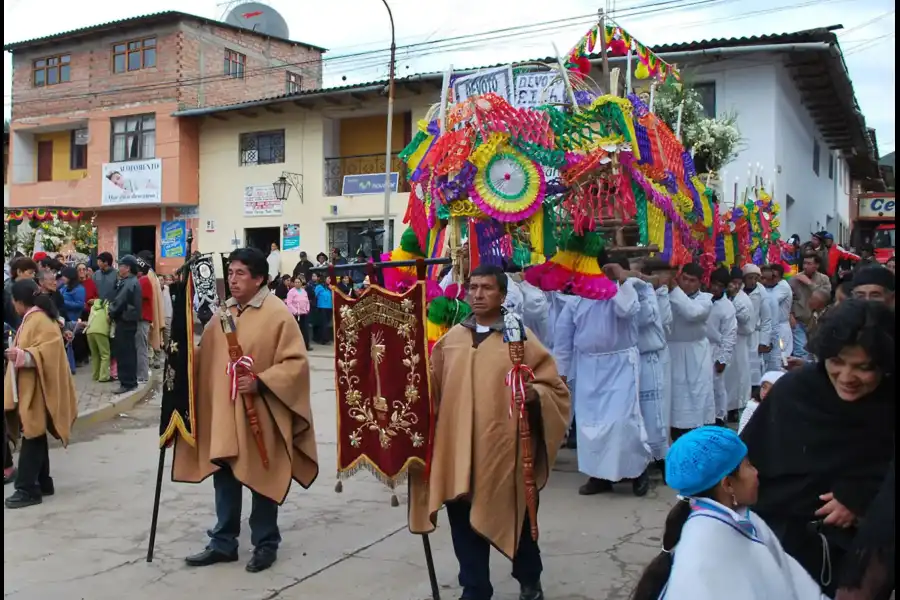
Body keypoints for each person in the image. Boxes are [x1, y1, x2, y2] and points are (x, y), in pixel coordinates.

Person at [408, 264, 570, 600]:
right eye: (473, 287)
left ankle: (529, 578)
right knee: (462, 523)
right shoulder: (451, 340)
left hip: (504, 451)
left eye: (487, 288)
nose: (478, 294)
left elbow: (554, 387)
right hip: (457, 451)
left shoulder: (519, 338)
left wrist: (535, 395)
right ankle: (475, 588)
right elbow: (429, 392)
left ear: (502, 294)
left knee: (518, 521)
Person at [175, 247, 318, 574]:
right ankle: (224, 541)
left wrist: (261, 382)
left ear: (259, 278)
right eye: (232, 272)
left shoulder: (277, 313)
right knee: (224, 473)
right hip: (226, 413)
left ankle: (266, 543)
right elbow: (205, 358)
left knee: (262, 474)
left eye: (241, 273)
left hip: (263, 412)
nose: (234, 280)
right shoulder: (223, 313)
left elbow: (296, 364)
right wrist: (180, 357)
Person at [741, 300, 895, 596]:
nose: (848, 377)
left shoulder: (888, 405)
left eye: (864, 368)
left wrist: (862, 500)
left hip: (859, 558)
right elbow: (747, 463)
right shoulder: (793, 393)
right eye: (838, 361)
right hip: (778, 546)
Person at [630, 426, 828, 600]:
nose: (756, 472)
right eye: (748, 466)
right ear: (728, 484)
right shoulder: (707, 546)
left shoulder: (738, 518)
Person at [554, 260, 652, 497]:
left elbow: (627, 309)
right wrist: (561, 374)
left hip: (620, 366)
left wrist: (619, 278)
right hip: (588, 367)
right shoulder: (577, 299)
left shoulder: (623, 291)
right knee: (590, 425)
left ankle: (637, 471)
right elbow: (563, 339)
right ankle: (599, 476)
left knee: (623, 423)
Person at [3, 279, 78, 509]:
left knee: (33, 434)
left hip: (38, 387)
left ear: (18, 301)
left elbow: (50, 349)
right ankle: (43, 482)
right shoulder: (35, 317)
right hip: (33, 385)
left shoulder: (39, 319)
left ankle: (27, 488)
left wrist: (22, 355)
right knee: (35, 432)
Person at [667, 263, 714, 440]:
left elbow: (691, 313)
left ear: (700, 283)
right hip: (671, 354)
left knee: (695, 402)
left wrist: (674, 290)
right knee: (673, 403)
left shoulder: (705, 301)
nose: (686, 284)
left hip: (696, 356)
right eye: (684, 279)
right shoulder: (669, 295)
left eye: (692, 281)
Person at [633, 267, 670, 471]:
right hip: (626, 362)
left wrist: (638, 281)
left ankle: (659, 458)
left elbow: (645, 317)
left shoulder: (650, 294)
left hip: (648, 360)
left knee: (653, 415)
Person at [706, 267, 738, 427]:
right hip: (700, 349)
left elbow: (730, 335)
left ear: (725, 287)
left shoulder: (727, 307)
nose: (715, 288)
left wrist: (723, 359)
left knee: (717, 386)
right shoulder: (702, 299)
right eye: (714, 284)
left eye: (720, 285)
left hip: (716, 351)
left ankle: (719, 417)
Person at [109, 255, 142, 394]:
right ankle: (131, 381)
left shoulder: (129, 282)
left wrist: (110, 311)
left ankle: (127, 383)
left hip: (125, 321)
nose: (119, 268)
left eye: (121, 265)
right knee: (129, 352)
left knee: (124, 353)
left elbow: (119, 302)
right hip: (130, 321)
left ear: (127, 268)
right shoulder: (131, 281)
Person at [724, 266, 753, 422]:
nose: (734, 286)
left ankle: (735, 407)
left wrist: (734, 301)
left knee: (737, 375)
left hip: (739, 340)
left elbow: (745, 318)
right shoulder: (726, 296)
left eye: (737, 283)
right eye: (732, 283)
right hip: (727, 340)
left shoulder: (742, 298)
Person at [789, 254, 832, 359]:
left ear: (816, 265)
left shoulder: (824, 279)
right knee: (801, 352)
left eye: (809, 263)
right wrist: (790, 314)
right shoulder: (795, 279)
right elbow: (788, 299)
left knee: (816, 353)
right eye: (804, 263)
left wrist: (809, 283)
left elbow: (825, 296)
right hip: (799, 320)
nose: (805, 266)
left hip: (817, 322)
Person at [743, 264, 772, 406]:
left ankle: (754, 400)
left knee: (754, 371)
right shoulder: (739, 292)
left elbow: (766, 320)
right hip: (740, 336)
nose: (753, 281)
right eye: (750, 278)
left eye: (755, 278)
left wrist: (763, 342)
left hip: (755, 335)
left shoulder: (762, 294)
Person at [763, 263, 793, 364]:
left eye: (774, 276)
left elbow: (770, 300)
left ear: (780, 277)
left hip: (781, 329)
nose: (770, 279)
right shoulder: (770, 286)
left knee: (781, 360)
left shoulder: (783, 287)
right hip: (770, 327)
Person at [737, 370, 784, 434]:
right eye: (764, 387)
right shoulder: (752, 408)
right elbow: (742, 433)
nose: (766, 392)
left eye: (771, 389)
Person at [59, 267, 85, 374]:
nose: (62, 278)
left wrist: (63, 303)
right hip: (63, 317)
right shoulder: (63, 288)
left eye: (64, 276)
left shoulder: (79, 289)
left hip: (73, 318)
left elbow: (80, 304)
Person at [4, 257, 38, 332]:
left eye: (34, 273)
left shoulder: (32, 285)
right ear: (19, 272)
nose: (33, 276)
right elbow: (15, 319)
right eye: (30, 273)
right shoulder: (9, 291)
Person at [84, 297, 111, 383]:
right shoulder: (106, 304)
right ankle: (103, 377)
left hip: (89, 331)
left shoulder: (93, 306)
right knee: (105, 354)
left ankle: (95, 375)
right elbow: (108, 318)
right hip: (101, 331)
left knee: (95, 354)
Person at [285, 276, 312, 351]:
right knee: (296, 330)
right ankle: (294, 346)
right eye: (296, 282)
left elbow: (307, 301)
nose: (297, 284)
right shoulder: (291, 292)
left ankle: (306, 345)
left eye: (298, 282)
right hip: (296, 314)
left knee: (305, 330)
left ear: (301, 283)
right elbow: (289, 303)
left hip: (304, 313)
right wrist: (295, 311)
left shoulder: (304, 291)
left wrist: (307, 309)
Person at [314, 275, 333, 344]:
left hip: (329, 307)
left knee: (327, 324)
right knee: (324, 323)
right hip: (322, 307)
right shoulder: (319, 287)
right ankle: (324, 339)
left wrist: (332, 289)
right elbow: (314, 295)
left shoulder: (329, 287)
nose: (329, 280)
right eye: (328, 278)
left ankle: (323, 338)